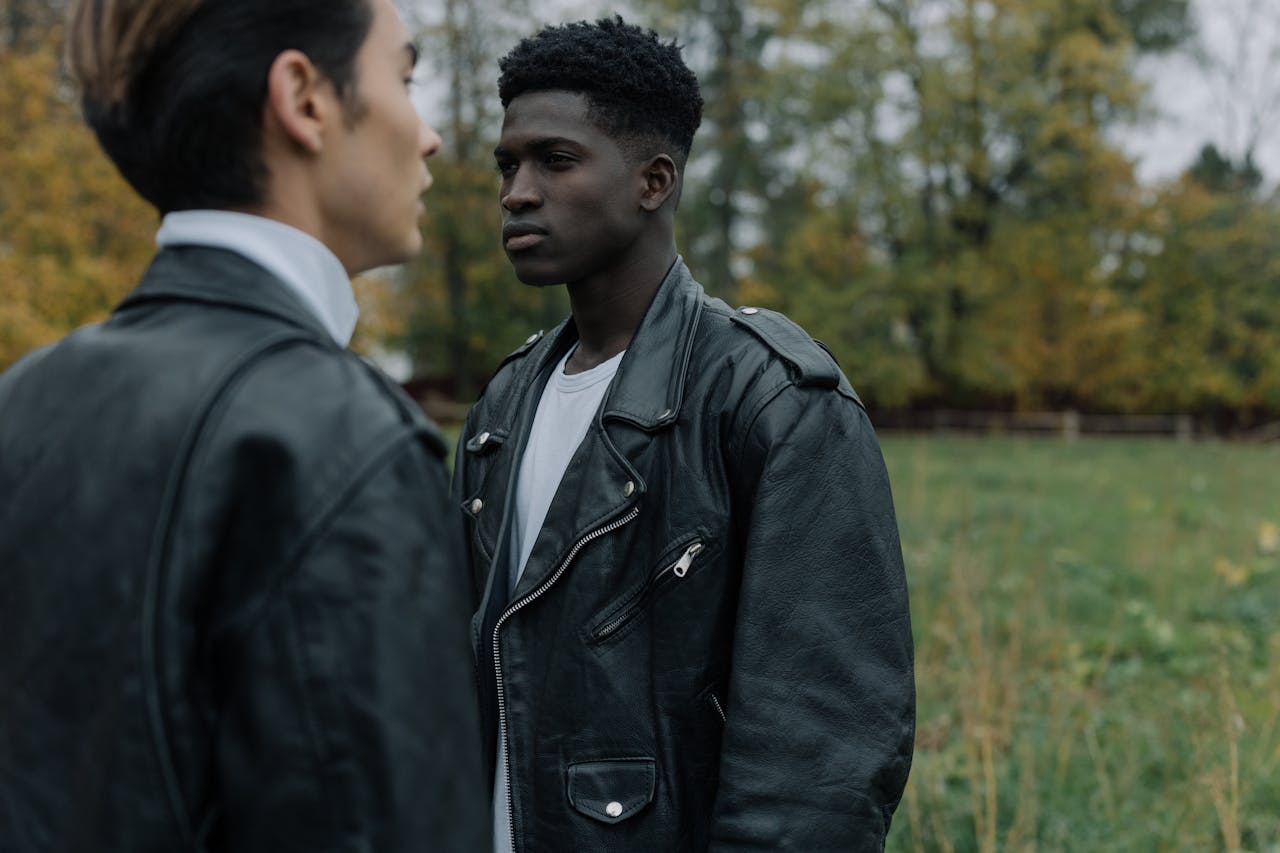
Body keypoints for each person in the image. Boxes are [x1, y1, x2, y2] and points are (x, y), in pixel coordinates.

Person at [0, 1, 488, 850]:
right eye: (405, 79)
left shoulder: (24, 397)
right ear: (304, 99)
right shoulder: (338, 437)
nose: (430, 134)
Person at [453, 16, 915, 853]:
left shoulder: (769, 398)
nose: (517, 191)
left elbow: (821, 758)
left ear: (653, 181)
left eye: (555, 160)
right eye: (508, 163)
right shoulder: (502, 406)